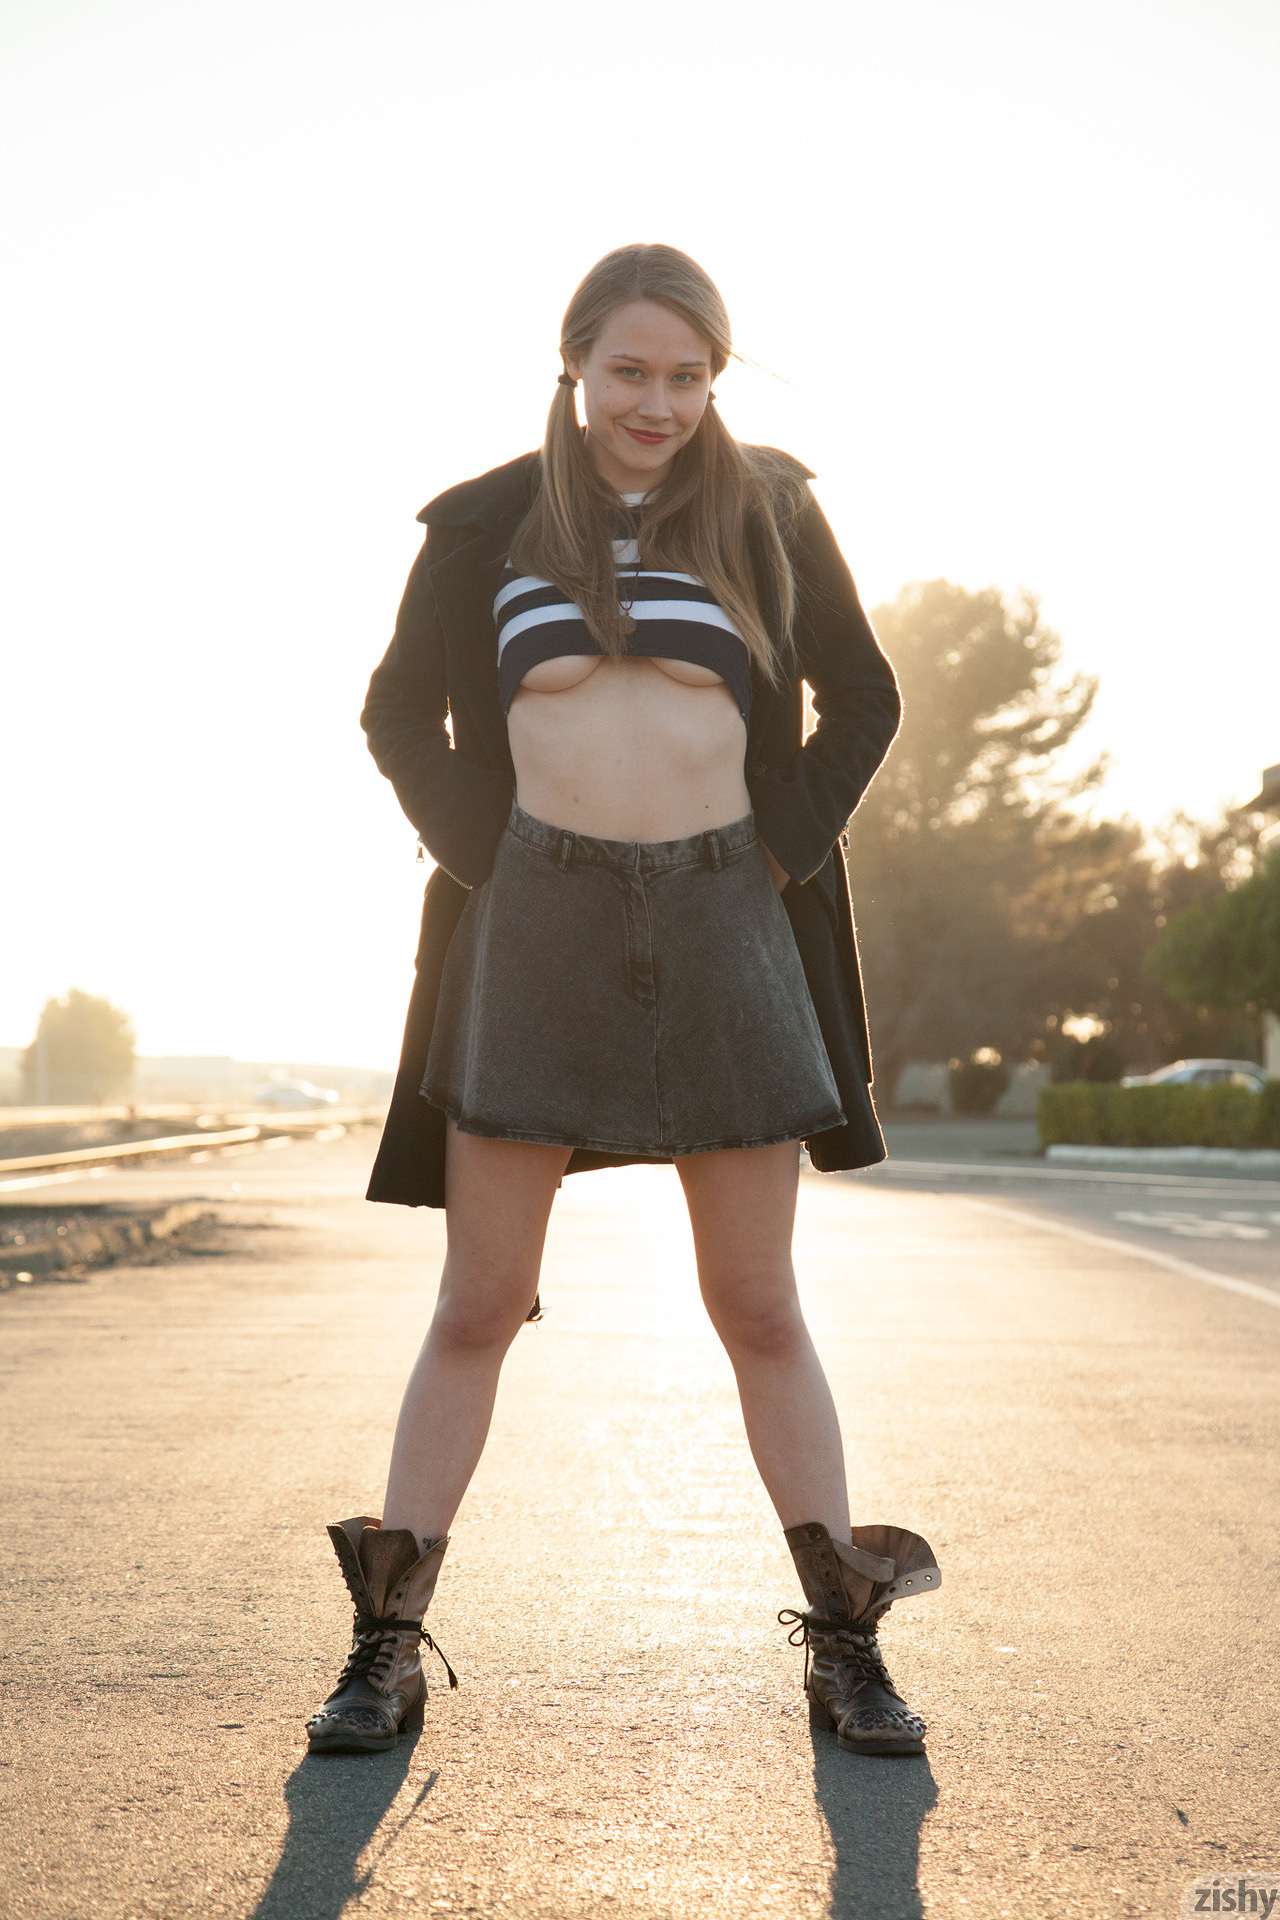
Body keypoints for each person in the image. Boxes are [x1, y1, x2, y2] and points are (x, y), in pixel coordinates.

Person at [305, 244, 941, 1762]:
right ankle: (382, 1653)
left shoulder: (771, 511)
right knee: (480, 1301)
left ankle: (847, 1651)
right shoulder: (484, 525)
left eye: (687, 377)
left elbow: (866, 695)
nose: (656, 404)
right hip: (537, 919)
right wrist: (493, 857)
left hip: (729, 916)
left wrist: (776, 851)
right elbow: (397, 712)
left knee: (759, 1304)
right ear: (575, 364)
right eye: (629, 372)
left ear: (715, 380)